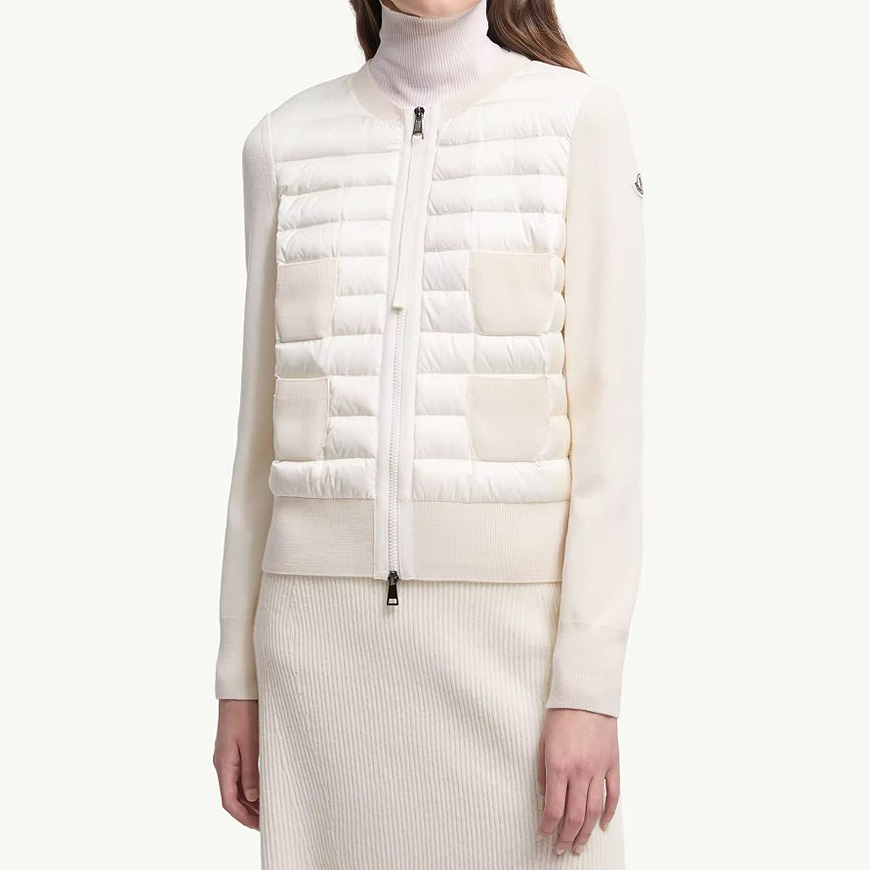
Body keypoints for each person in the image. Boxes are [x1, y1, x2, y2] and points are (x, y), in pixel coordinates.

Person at [212, 1, 645, 867]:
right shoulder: (282, 145)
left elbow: (612, 440)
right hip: (316, 656)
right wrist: (237, 680)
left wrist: (589, 688)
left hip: (516, 654)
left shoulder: (578, 124)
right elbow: (257, 444)